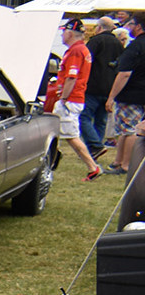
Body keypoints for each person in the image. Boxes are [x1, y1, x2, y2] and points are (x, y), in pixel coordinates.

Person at [49, 19, 103, 180]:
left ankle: (93, 167)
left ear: (70, 33)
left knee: (71, 136)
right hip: (74, 97)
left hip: (70, 99)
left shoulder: (76, 51)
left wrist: (63, 98)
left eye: (63, 31)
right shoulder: (81, 49)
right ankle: (51, 161)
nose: (61, 35)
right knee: (58, 131)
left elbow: (71, 77)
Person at [107, 16, 145, 174]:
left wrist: (111, 97)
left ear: (138, 27)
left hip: (131, 94)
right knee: (123, 130)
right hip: (141, 94)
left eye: (131, 24)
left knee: (129, 131)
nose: (129, 28)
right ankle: (118, 161)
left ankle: (125, 165)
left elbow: (124, 74)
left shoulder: (135, 46)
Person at [85, 16, 124, 162]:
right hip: (110, 88)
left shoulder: (95, 41)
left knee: (85, 117)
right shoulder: (118, 44)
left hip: (93, 86)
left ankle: (94, 145)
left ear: (99, 28)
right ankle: (97, 146)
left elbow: (87, 60)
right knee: (101, 120)